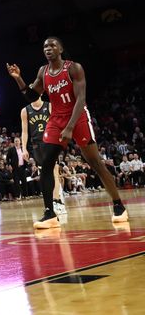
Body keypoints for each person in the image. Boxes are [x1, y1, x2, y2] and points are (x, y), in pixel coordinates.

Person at [7, 37, 128, 229]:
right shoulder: (43, 71)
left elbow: (81, 99)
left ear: (61, 48)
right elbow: (31, 96)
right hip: (56, 118)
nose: (48, 48)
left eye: (52, 45)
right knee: (46, 164)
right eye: (45, 46)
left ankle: (118, 205)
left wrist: (70, 127)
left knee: (95, 162)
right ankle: (50, 213)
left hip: (78, 117)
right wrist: (18, 79)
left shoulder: (74, 68)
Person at [19, 96, 65, 213]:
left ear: (39, 93)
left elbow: (57, 123)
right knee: (45, 174)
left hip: (50, 141)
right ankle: (51, 202)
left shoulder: (48, 105)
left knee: (54, 170)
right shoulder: (25, 111)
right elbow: (24, 132)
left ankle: (57, 200)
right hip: (37, 145)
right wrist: (24, 148)